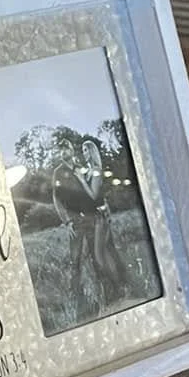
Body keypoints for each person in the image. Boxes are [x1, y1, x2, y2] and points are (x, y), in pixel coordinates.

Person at [49, 134, 127, 317]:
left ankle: (110, 294)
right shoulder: (58, 172)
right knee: (75, 260)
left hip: (93, 219)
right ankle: (78, 302)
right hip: (75, 222)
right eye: (60, 150)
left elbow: (94, 194)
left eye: (66, 148)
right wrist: (67, 221)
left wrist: (104, 206)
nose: (64, 152)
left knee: (97, 257)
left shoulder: (80, 168)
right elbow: (57, 200)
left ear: (71, 150)